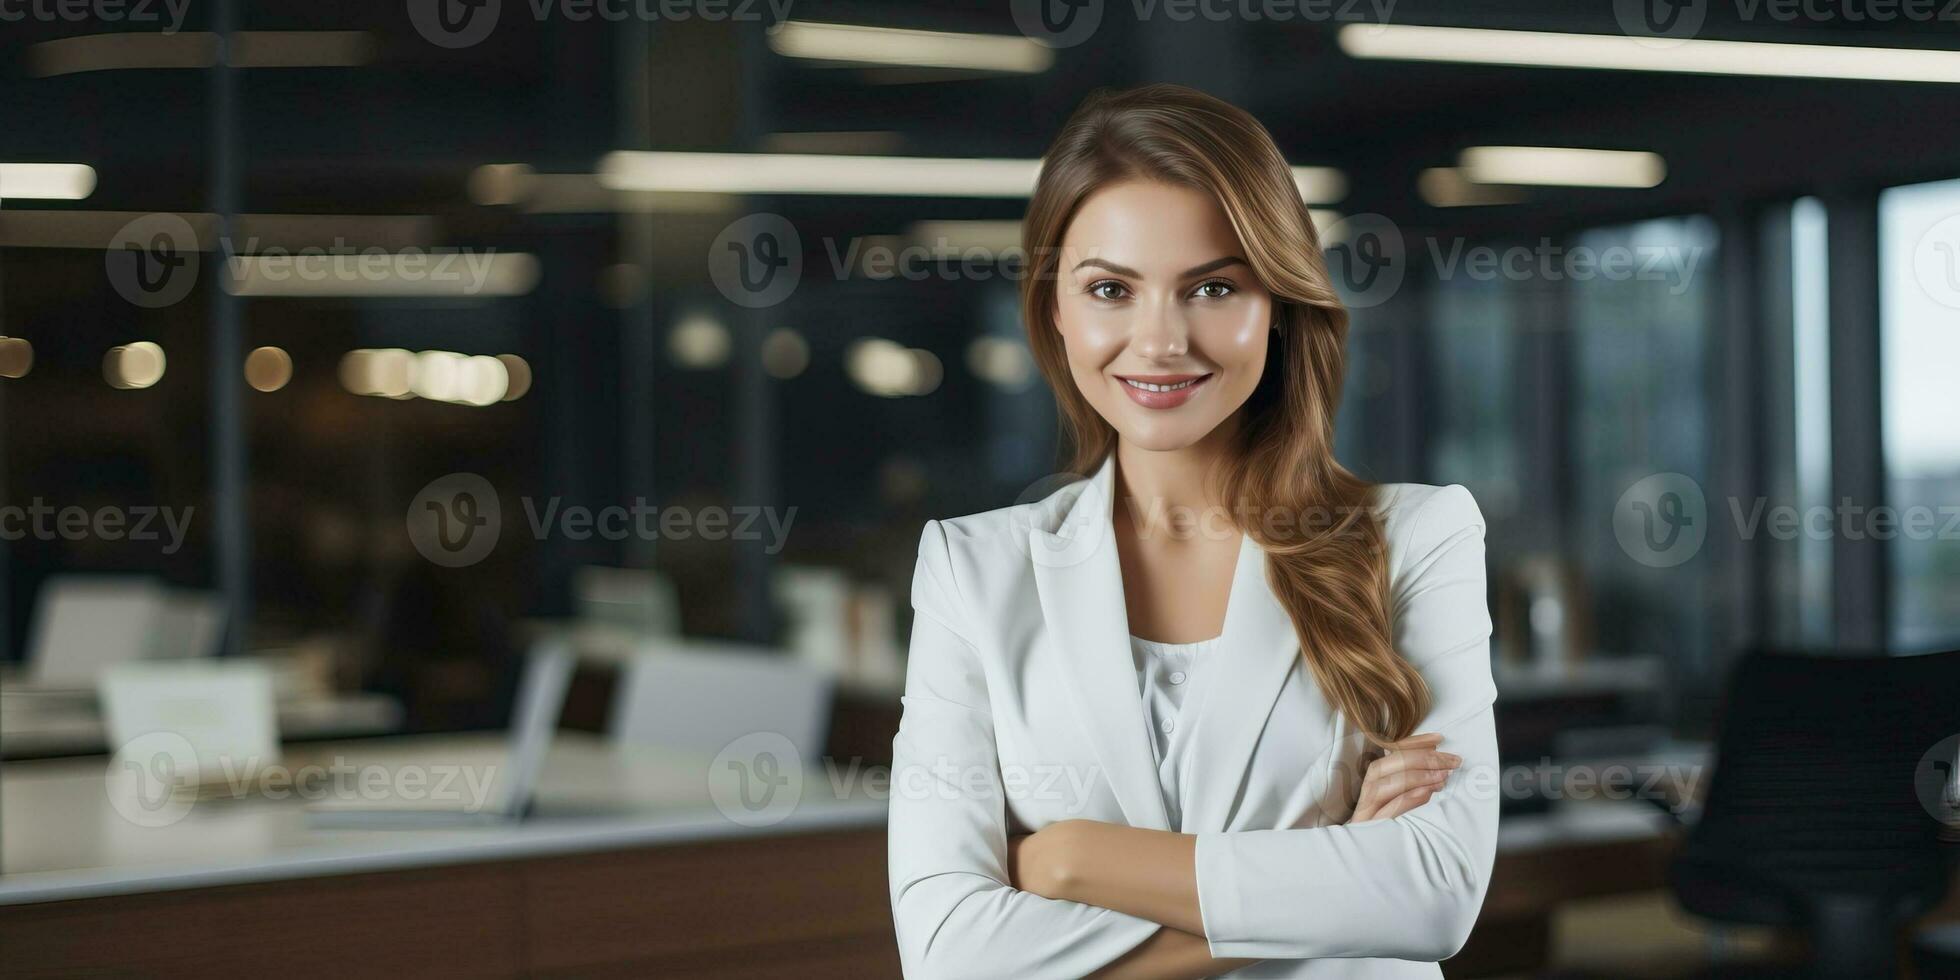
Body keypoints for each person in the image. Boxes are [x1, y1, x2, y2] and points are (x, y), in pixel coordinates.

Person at [887, 84, 1497, 979]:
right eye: (1110, 289)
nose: (1160, 340)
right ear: (1055, 309)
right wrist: (1328, 888)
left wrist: (1072, 862)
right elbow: (948, 955)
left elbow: (1435, 892)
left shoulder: (1416, 538)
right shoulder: (973, 570)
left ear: (1280, 306)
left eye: (1213, 286)